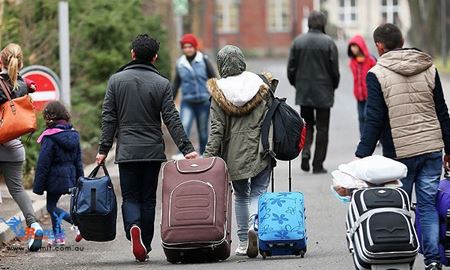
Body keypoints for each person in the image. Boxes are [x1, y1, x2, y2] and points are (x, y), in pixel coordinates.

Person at [355, 23, 450, 270]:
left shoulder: (376, 74)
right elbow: (442, 110)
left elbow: (373, 119)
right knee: (428, 205)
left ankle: (400, 256)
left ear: (379, 45)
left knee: (398, 206)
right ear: (403, 40)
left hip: (400, 154)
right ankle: (432, 261)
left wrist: (361, 157)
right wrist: (449, 149)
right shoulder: (428, 67)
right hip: (431, 148)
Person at [96, 34, 198, 262]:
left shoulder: (116, 81)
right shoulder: (161, 83)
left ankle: (134, 228)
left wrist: (103, 149)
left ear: (132, 54)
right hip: (152, 151)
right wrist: (186, 148)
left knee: (130, 196)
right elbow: (171, 117)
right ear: (155, 57)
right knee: (149, 198)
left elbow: (108, 118)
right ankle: (147, 244)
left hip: (127, 151)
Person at [203, 45, 275, 258]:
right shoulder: (260, 84)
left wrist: (208, 158)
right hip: (262, 148)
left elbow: (217, 130)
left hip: (233, 154)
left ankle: (244, 241)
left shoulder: (219, 92)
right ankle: (257, 229)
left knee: (241, 196)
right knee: (259, 192)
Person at [0, 43, 43, 251]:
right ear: (21, 61)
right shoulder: (24, 84)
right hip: (14, 146)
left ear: (1, 61)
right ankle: (34, 225)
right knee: (17, 190)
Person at [287, 11, 340, 174]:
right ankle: (318, 164)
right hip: (324, 91)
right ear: (323, 24)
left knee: (307, 125)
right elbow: (334, 71)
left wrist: (298, 85)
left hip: (304, 91)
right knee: (323, 128)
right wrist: (333, 86)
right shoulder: (329, 43)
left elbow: (291, 69)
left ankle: (306, 151)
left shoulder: (298, 42)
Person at [33, 101, 83, 246]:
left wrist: (38, 186)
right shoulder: (73, 134)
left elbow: (43, 163)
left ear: (49, 116)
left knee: (51, 207)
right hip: (70, 175)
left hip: (54, 177)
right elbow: (78, 160)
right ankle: (58, 237)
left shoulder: (49, 137)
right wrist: (80, 180)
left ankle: (76, 223)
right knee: (52, 204)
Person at [172, 33, 216, 158]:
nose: (188, 49)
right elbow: (176, 83)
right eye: (185, 47)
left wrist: (216, 96)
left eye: (190, 46)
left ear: (195, 47)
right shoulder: (180, 63)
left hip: (203, 101)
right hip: (187, 102)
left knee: (202, 131)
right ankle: (182, 152)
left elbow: (213, 78)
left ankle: (203, 153)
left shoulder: (203, 60)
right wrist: (170, 101)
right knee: (184, 127)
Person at [347, 35, 376, 137]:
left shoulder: (370, 60)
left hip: (369, 93)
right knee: (360, 117)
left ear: (361, 46)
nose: (353, 49)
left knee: (367, 116)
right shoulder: (352, 62)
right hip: (359, 95)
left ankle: (372, 137)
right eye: (351, 46)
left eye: (355, 46)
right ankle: (363, 137)